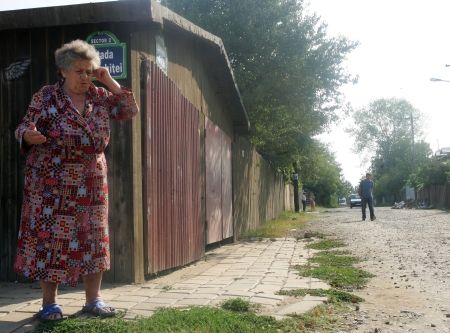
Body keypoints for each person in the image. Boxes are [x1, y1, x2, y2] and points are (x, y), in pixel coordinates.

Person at [14, 39, 139, 322]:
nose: (85, 77)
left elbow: (129, 110)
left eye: (89, 70)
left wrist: (110, 81)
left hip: (91, 179)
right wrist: (27, 136)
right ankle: (50, 304)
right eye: (79, 71)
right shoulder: (45, 97)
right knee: (51, 240)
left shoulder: (98, 95)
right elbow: (24, 125)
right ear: (63, 72)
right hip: (51, 180)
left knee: (93, 238)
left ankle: (94, 300)